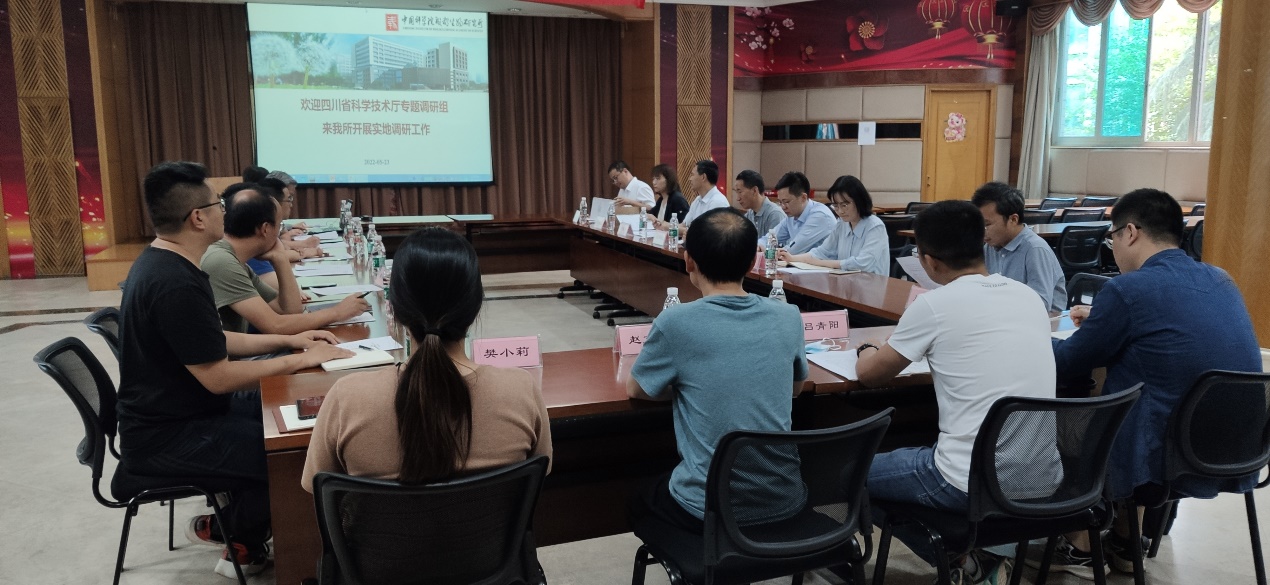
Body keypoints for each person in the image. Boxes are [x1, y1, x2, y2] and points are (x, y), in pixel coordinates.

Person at [117, 162, 352, 578]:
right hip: (168, 433)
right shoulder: (173, 282)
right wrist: (298, 359)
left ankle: (241, 531)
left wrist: (290, 340)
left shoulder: (169, 263)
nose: (225, 213)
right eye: (217, 205)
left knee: (283, 419)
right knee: (290, 453)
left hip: (184, 413)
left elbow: (215, 340)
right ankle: (239, 541)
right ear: (198, 218)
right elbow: (218, 377)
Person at [1047, 188, 1261, 578]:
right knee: (1148, 394)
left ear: (1130, 232)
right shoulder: (1221, 279)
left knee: (1059, 422)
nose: (1113, 247)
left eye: (1111, 237)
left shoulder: (1127, 290)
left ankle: (1080, 547)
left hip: (1162, 455)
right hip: (1238, 446)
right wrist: (1105, 320)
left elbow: (1066, 362)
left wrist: (1027, 338)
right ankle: (1128, 543)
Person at [855, 200, 1058, 583]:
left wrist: (866, 348)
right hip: (1040, 476)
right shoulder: (1029, 298)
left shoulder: (934, 305)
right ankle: (977, 559)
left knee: (848, 472)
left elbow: (870, 376)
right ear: (982, 243)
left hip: (964, 479)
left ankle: (959, 559)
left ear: (928, 261)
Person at [302, 227, 552, 490]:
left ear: (394, 308)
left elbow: (313, 488)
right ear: (476, 305)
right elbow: (542, 472)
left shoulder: (348, 399)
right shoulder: (520, 391)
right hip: (493, 520)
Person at [627, 207, 809, 535]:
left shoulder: (675, 321)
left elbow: (638, 389)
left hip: (711, 509)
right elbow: (794, 390)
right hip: (785, 500)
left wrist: (692, 384)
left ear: (689, 261)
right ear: (753, 263)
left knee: (636, 496)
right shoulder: (789, 316)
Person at [200, 183, 369, 336]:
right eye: (280, 224)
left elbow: (290, 311)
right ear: (265, 229)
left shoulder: (236, 259)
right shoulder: (221, 261)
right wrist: (337, 312)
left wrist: (280, 259)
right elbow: (275, 326)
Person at [972, 182, 1066, 314]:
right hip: (1003, 316)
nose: (982, 231)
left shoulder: (1035, 249)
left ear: (1013, 219)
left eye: (987, 225)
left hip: (1042, 321)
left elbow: (1041, 304)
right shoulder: (990, 247)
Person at [778, 175, 889, 275]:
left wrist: (825, 263)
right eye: (835, 206)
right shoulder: (842, 224)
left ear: (859, 201)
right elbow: (822, 252)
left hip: (871, 286)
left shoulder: (875, 226)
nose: (840, 211)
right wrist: (792, 258)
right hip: (847, 283)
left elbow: (862, 264)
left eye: (844, 205)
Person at [762, 171, 836, 254]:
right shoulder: (792, 215)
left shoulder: (820, 215)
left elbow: (793, 250)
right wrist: (758, 246)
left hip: (824, 262)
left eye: (786, 201)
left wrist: (769, 252)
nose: (783, 207)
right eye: (780, 202)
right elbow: (771, 237)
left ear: (803, 197)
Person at [677, 159, 729, 227]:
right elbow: (684, 225)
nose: (690, 179)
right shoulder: (698, 200)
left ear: (703, 177)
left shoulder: (718, 202)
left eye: (692, 175)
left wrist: (684, 230)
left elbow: (708, 231)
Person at [733, 169, 784, 237]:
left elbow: (773, 243)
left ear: (754, 190)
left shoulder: (774, 215)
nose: (737, 198)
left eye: (740, 192)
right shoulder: (749, 214)